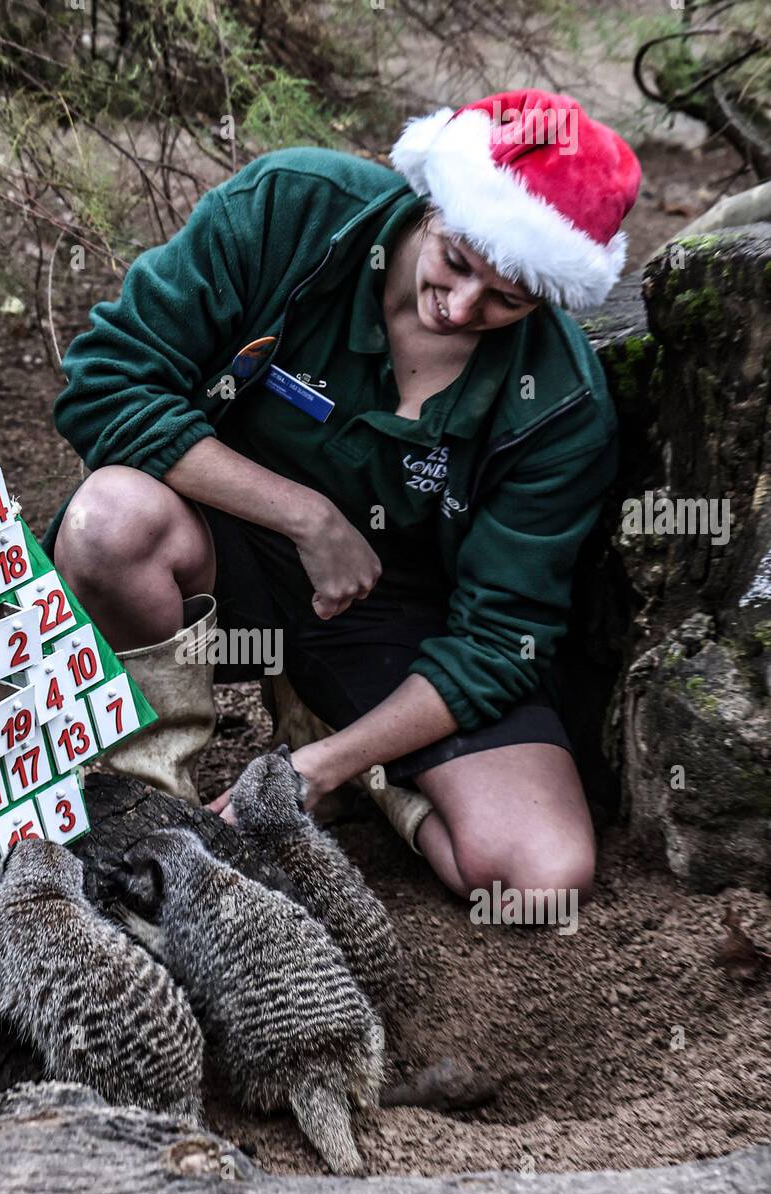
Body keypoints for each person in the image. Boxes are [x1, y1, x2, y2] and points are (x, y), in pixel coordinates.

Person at [43, 88, 641, 903]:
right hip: (225, 551)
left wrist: (326, 765)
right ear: (435, 202)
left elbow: (502, 638)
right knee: (107, 519)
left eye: (508, 299)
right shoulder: (293, 207)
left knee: (539, 876)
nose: (461, 308)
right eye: (457, 262)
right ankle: (149, 804)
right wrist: (307, 516)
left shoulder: (564, 403)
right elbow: (103, 385)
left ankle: (343, 747)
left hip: (400, 620)